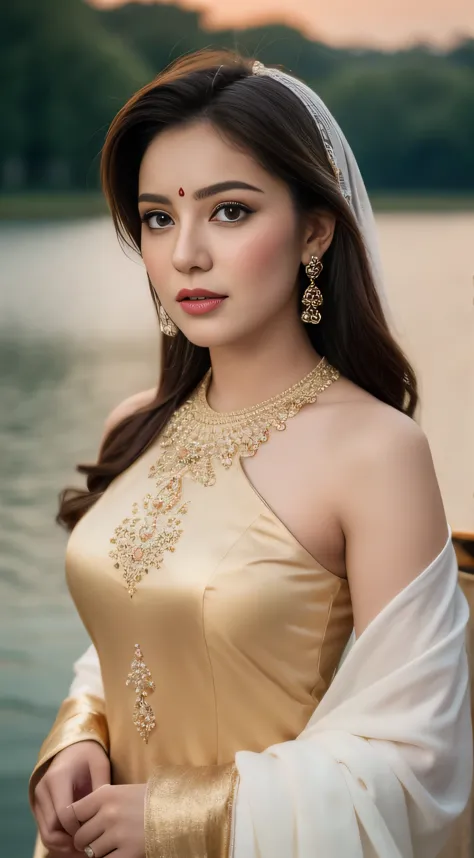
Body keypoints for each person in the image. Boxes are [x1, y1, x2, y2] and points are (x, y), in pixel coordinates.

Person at [29, 49, 472, 858]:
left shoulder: (375, 452)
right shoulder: (136, 426)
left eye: (229, 212)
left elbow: (418, 759)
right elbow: (128, 640)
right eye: (159, 217)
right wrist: (79, 736)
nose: (186, 254)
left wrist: (183, 818)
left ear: (314, 229)